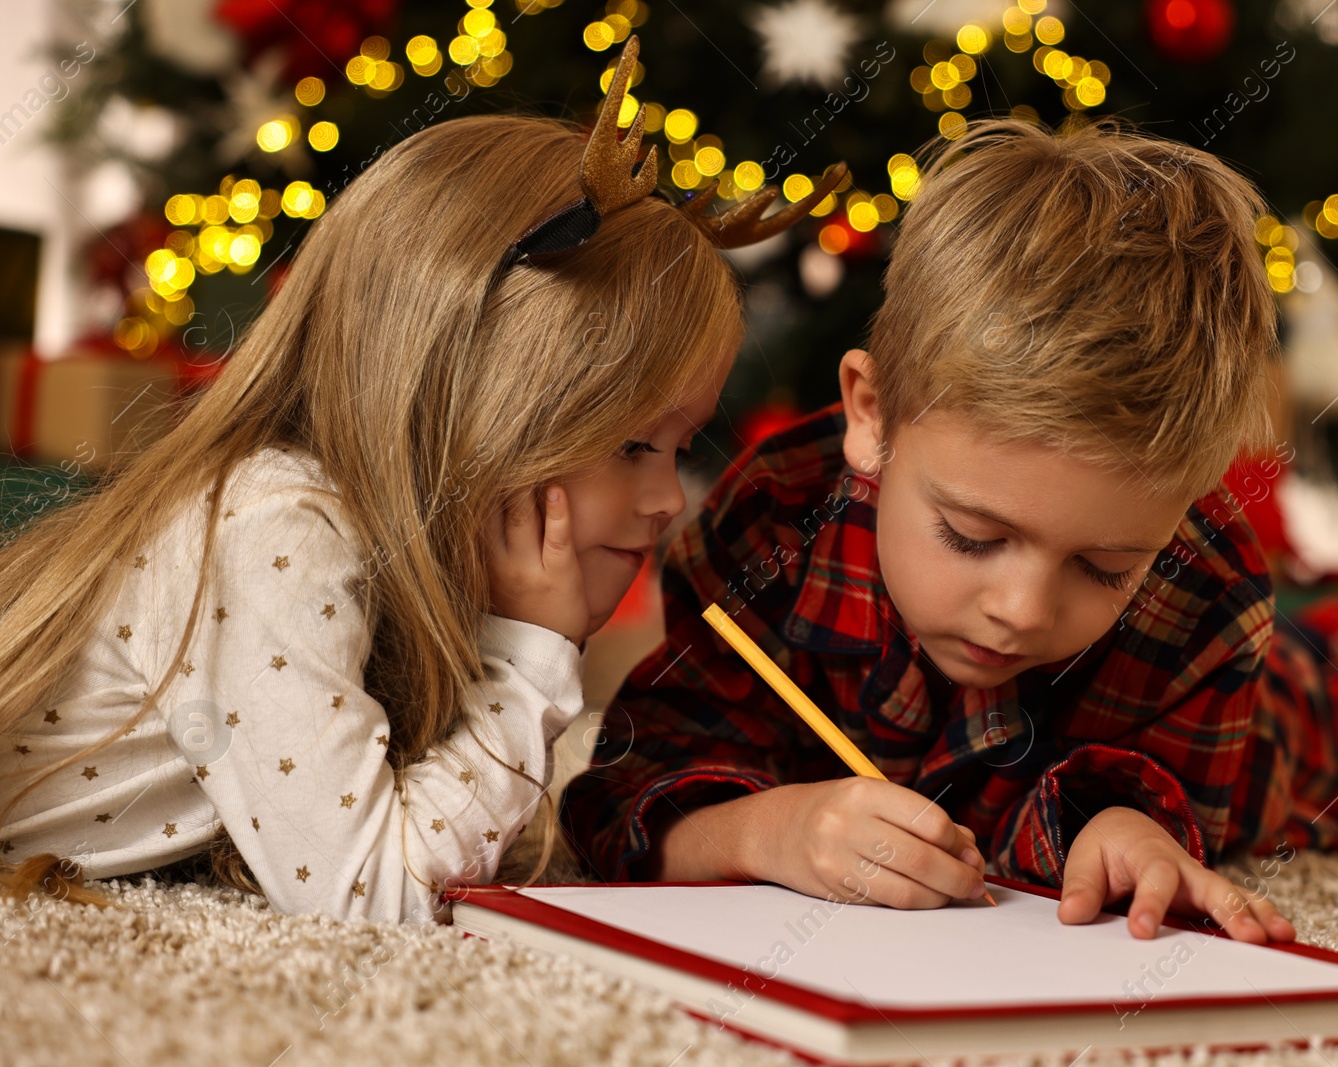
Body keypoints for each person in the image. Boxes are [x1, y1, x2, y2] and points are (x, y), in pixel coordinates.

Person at [561, 119, 1338, 943]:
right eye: (972, 535)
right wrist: (761, 830)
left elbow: (1181, 794)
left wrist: (1128, 826)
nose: (1022, 609)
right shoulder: (766, 526)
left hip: (1277, 710)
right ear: (871, 413)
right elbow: (624, 785)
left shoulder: (1201, 586)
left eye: (1104, 565)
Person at [0, 41, 839, 922]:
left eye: (678, 449)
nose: (671, 500)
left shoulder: (374, 542)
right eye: (635, 446)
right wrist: (530, 658)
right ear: (469, 408)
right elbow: (372, 894)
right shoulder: (277, 523)